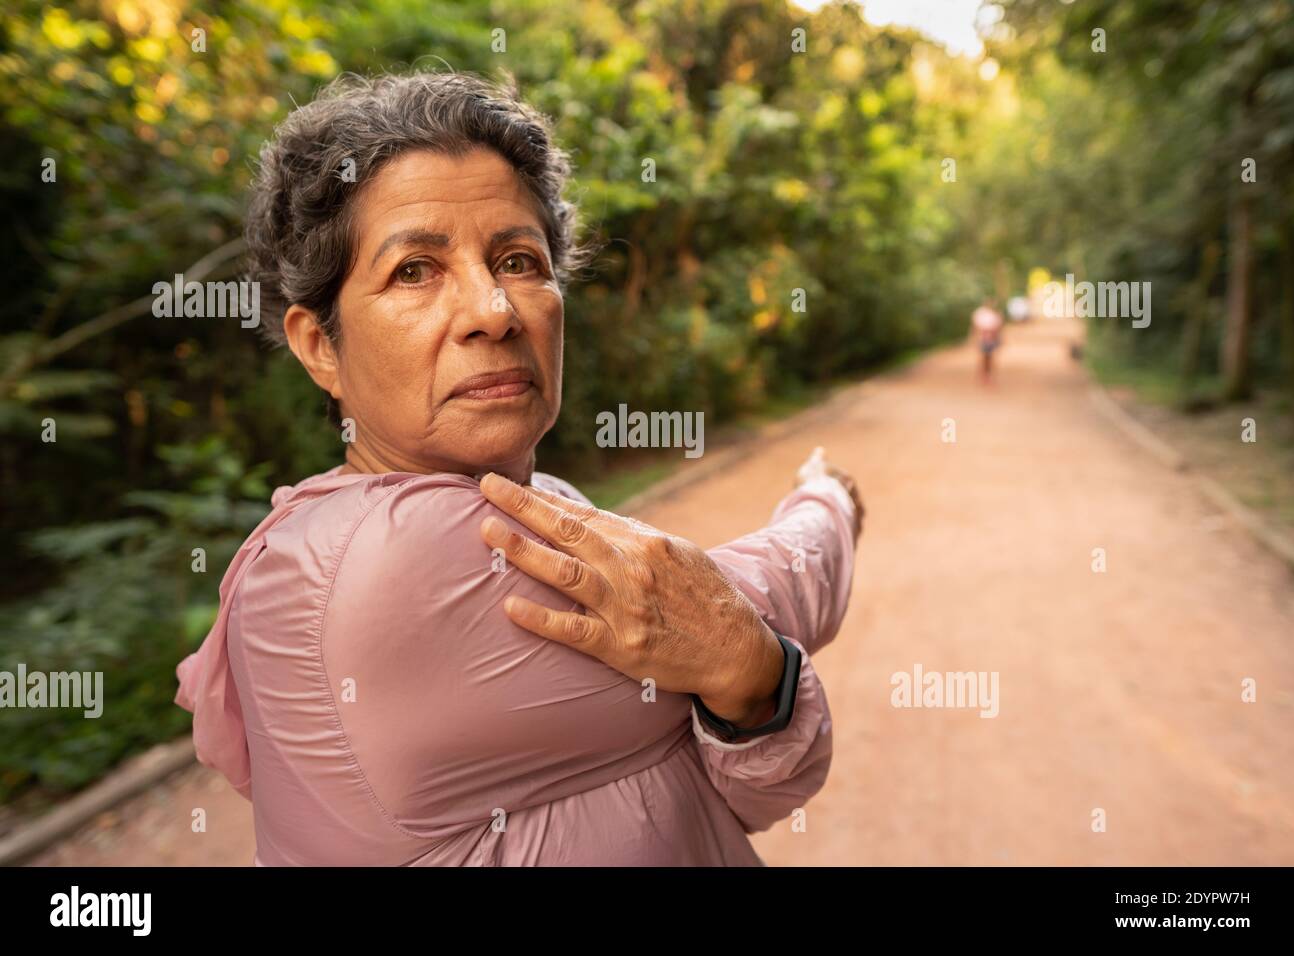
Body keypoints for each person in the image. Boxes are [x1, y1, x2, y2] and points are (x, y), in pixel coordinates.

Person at [174, 71, 865, 866]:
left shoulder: (546, 504)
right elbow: (738, 601)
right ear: (319, 345)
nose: (494, 312)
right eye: (414, 271)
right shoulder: (383, 561)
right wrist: (827, 504)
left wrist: (753, 680)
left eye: (517, 260)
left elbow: (744, 792)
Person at [971, 297, 1005, 384]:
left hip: (991, 339)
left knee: (990, 357)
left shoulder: (996, 314)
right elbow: (975, 327)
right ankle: (984, 375)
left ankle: (989, 375)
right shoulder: (980, 313)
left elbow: (999, 328)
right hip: (983, 339)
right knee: (984, 357)